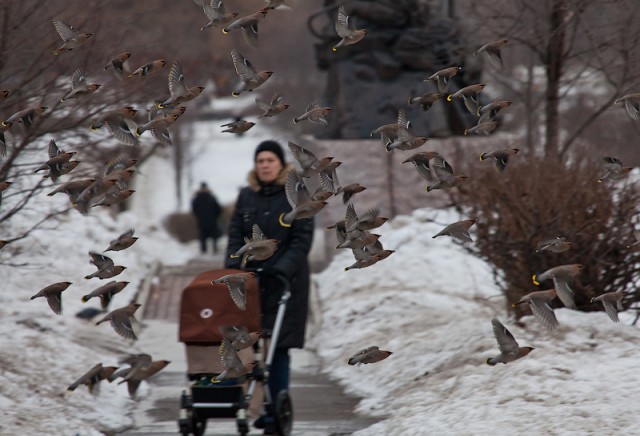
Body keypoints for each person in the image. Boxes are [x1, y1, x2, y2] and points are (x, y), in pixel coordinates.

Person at [225, 140, 314, 431]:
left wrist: (281, 269)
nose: (264, 164)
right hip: (252, 283)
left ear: (280, 164)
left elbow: (302, 240)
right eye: (260, 160)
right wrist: (231, 267)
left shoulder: (298, 194)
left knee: (277, 349)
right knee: (249, 347)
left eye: (270, 160)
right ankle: (257, 405)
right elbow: (235, 235)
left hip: (286, 283)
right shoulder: (246, 196)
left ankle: (276, 410)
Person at [191, 182, 223, 254]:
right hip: (212, 220)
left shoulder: (197, 198)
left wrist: (199, 216)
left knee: (202, 236)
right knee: (214, 236)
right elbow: (218, 209)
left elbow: (194, 209)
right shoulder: (211, 197)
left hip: (201, 220)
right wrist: (216, 216)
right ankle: (214, 250)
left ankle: (203, 251)